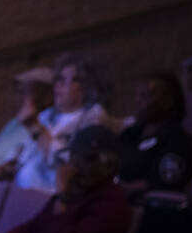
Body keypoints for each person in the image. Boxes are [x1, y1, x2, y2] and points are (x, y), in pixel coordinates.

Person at [0, 125, 131, 233]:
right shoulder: (77, 192)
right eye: (73, 157)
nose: (74, 166)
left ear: (109, 166)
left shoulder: (111, 205)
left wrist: (63, 196)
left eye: (86, 159)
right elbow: (34, 226)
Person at [11, 52, 115, 192]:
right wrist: (3, 169)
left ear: (84, 86)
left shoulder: (93, 115)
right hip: (21, 191)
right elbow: (25, 156)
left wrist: (36, 129)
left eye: (64, 80)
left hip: (52, 196)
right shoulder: (47, 116)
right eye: (57, 80)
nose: (58, 86)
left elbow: (71, 161)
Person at [117, 71, 192, 198]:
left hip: (144, 206)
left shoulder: (178, 141)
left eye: (144, 96)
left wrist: (119, 190)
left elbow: (163, 182)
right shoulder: (131, 133)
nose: (137, 101)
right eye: (137, 96)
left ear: (168, 102)